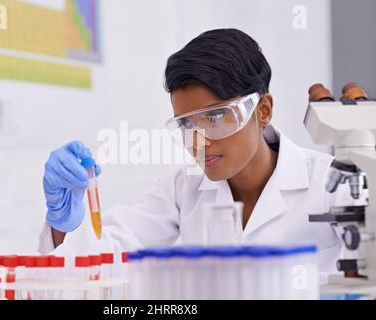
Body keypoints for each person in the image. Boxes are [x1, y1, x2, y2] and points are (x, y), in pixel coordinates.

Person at [39, 29, 342, 274]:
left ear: (262, 110)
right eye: (186, 124)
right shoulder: (183, 188)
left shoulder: (333, 185)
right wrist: (63, 225)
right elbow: (106, 256)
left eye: (214, 117)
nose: (199, 142)